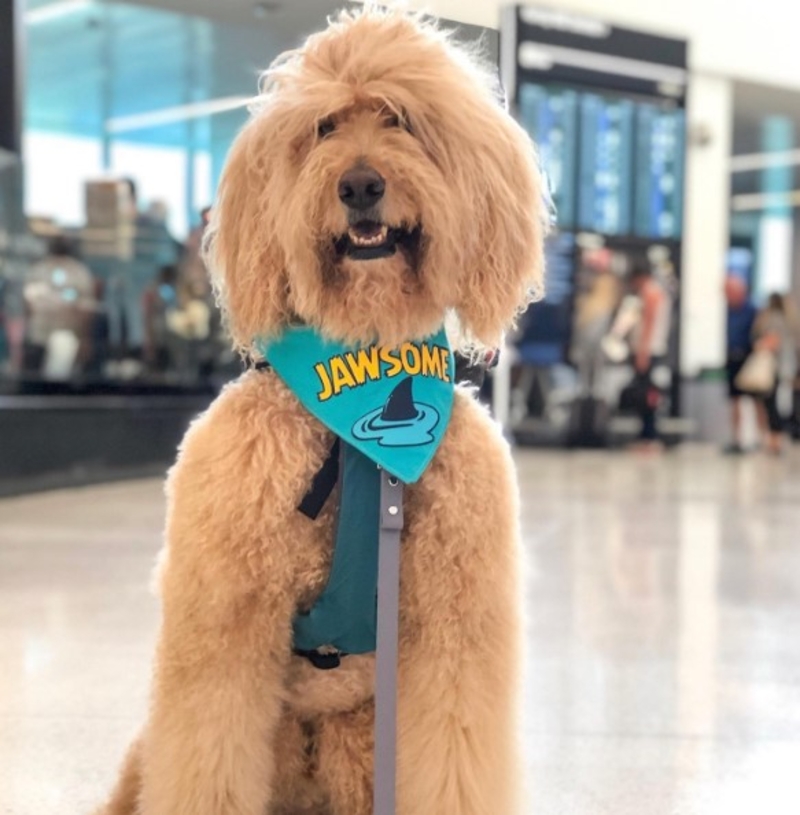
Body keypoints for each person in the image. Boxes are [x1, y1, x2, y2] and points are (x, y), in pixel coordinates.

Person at [628, 260, 673, 449]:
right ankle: (646, 435)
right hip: (650, 349)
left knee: (647, 396)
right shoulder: (655, 292)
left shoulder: (651, 293)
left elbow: (649, 323)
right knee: (646, 394)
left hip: (648, 350)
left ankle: (649, 436)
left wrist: (643, 352)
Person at [752, 293, 797, 455]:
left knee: (772, 404)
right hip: (786, 367)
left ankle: (774, 438)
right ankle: (776, 438)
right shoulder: (790, 321)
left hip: (773, 366)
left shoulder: (771, 319)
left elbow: (771, 341)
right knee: (780, 402)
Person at [724, 276, 758, 453]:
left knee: (756, 400)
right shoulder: (726, 310)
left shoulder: (752, 310)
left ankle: (761, 438)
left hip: (749, 358)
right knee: (735, 400)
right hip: (732, 357)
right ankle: (736, 439)